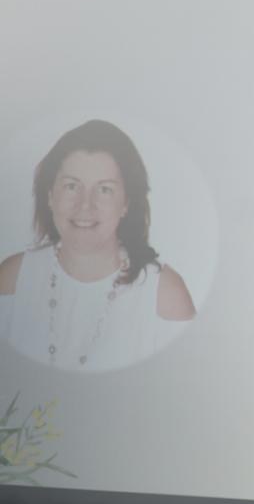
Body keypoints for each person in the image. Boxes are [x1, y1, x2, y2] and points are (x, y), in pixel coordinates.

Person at [0, 120, 195, 371]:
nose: (85, 205)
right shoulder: (12, 278)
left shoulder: (165, 294)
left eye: (104, 190)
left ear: (126, 203)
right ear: (50, 195)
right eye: (72, 186)